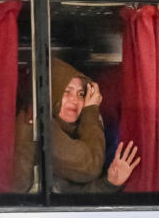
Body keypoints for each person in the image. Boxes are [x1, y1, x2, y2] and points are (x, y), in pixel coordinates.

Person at [13, 57, 140, 193]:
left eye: (81, 94)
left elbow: (70, 194)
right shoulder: (36, 124)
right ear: (51, 93)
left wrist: (110, 183)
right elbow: (90, 167)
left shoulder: (65, 130)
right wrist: (90, 111)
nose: (75, 100)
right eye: (67, 92)